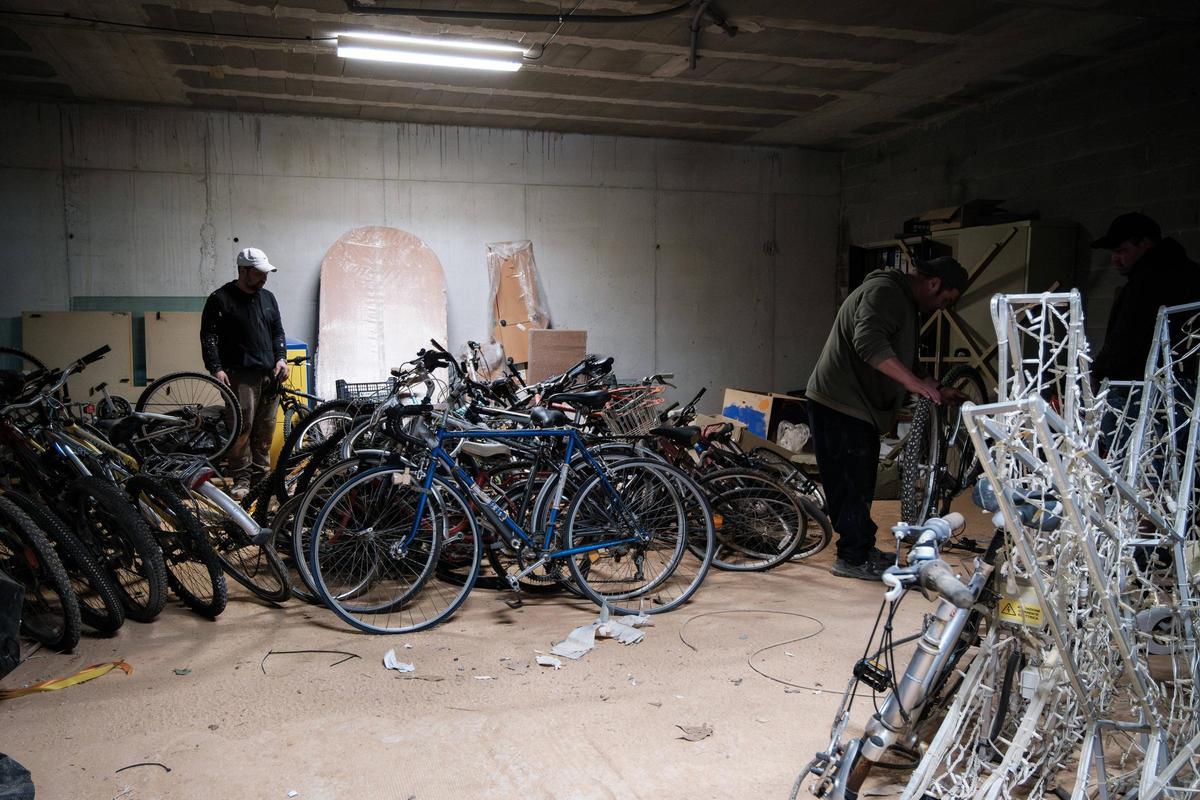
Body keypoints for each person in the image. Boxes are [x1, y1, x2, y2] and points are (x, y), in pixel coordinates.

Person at [806, 257, 969, 581]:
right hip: (839, 403)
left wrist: (936, 386)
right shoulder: (886, 292)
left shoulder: (903, 303)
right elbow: (868, 342)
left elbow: (903, 358)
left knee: (860, 483)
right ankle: (851, 558)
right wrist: (914, 384)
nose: (939, 309)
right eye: (944, 301)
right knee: (850, 485)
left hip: (856, 407)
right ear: (934, 283)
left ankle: (861, 549)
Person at [201, 247, 288, 499]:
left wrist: (281, 359)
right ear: (243, 271)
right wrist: (215, 368)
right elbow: (209, 337)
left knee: (265, 428)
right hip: (239, 375)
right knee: (242, 428)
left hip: (270, 374)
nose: (265, 277)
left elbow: (277, 332)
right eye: (260, 273)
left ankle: (263, 480)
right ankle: (242, 479)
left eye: (266, 272)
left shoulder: (268, 298)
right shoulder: (220, 299)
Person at [1091, 212, 1200, 388]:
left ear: (1145, 244)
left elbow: (1126, 334)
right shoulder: (1189, 272)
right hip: (1182, 383)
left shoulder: (1147, 281)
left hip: (1140, 385)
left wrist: (1098, 372)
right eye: (1113, 252)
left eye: (1121, 251)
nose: (1115, 259)